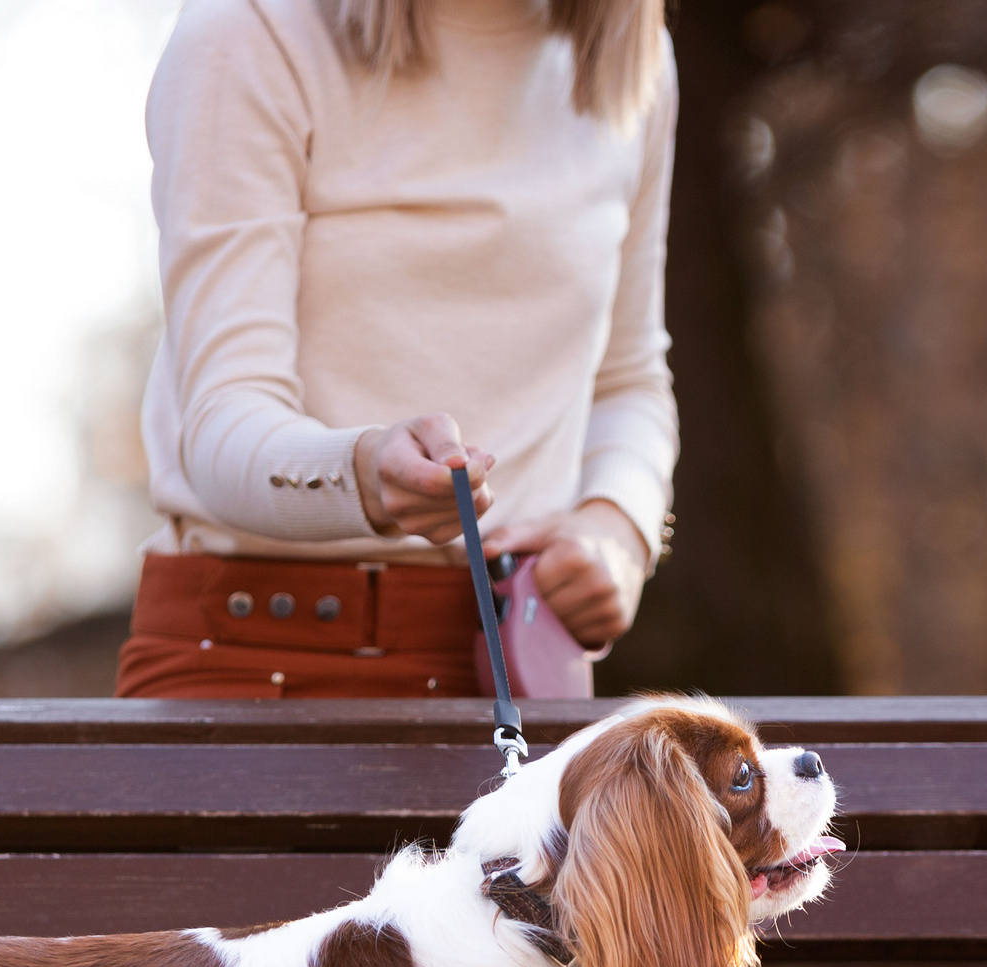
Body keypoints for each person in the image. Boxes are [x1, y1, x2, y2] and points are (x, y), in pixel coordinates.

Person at [117, 0, 678, 699]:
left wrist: (617, 528)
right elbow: (223, 417)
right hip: (249, 661)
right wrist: (361, 473)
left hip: (517, 675)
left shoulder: (634, 67)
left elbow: (628, 379)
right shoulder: (249, 31)